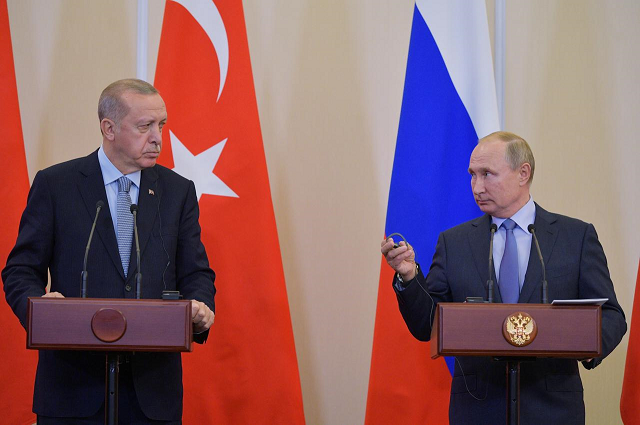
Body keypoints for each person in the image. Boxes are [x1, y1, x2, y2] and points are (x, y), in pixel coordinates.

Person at [2, 78, 216, 424]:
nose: (158, 138)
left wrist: (201, 306)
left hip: (151, 393)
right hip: (73, 388)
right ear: (109, 128)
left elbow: (196, 272)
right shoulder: (57, 185)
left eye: (161, 125)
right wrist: (38, 308)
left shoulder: (177, 192)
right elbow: (21, 270)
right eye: (145, 126)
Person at [381, 131, 626, 425]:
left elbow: (612, 315)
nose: (477, 186)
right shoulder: (454, 242)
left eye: (487, 174)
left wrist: (589, 345)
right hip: (478, 410)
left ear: (523, 173)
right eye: (472, 175)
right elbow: (428, 324)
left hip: (553, 409)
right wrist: (409, 276)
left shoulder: (575, 237)